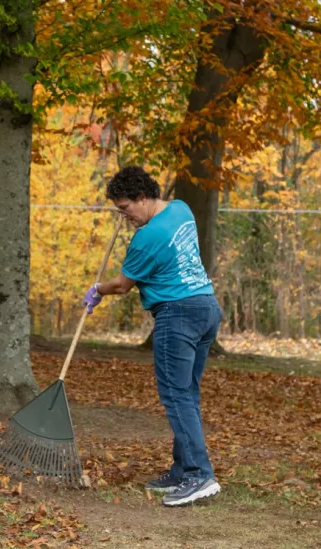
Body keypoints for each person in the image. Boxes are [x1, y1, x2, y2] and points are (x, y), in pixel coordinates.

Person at [82, 166, 222, 507]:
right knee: (187, 394)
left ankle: (199, 475)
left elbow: (122, 285)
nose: (125, 216)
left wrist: (97, 290)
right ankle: (182, 469)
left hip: (177, 315)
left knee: (176, 397)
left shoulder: (146, 239)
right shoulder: (181, 209)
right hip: (206, 308)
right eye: (120, 210)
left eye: (126, 208)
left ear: (143, 198)